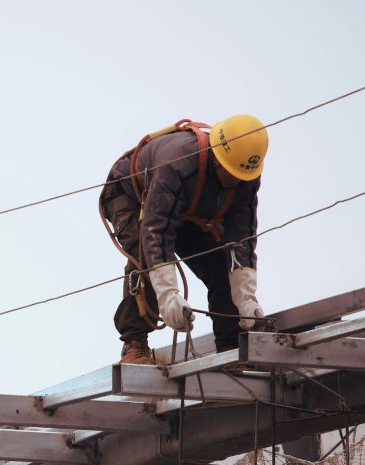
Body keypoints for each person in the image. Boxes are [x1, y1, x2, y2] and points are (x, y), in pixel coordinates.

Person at [99, 114, 269, 364]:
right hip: (130, 196)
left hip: (184, 209)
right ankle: (134, 344)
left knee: (220, 268)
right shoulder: (179, 163)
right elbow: (156, 233)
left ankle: (232, 347)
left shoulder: (246, 176)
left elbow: (240, 239)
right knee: (144, 255)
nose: (233, 181)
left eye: (239, 177)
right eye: (229, 174)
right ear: (217, 159)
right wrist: (169, 297)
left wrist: (245, 298)